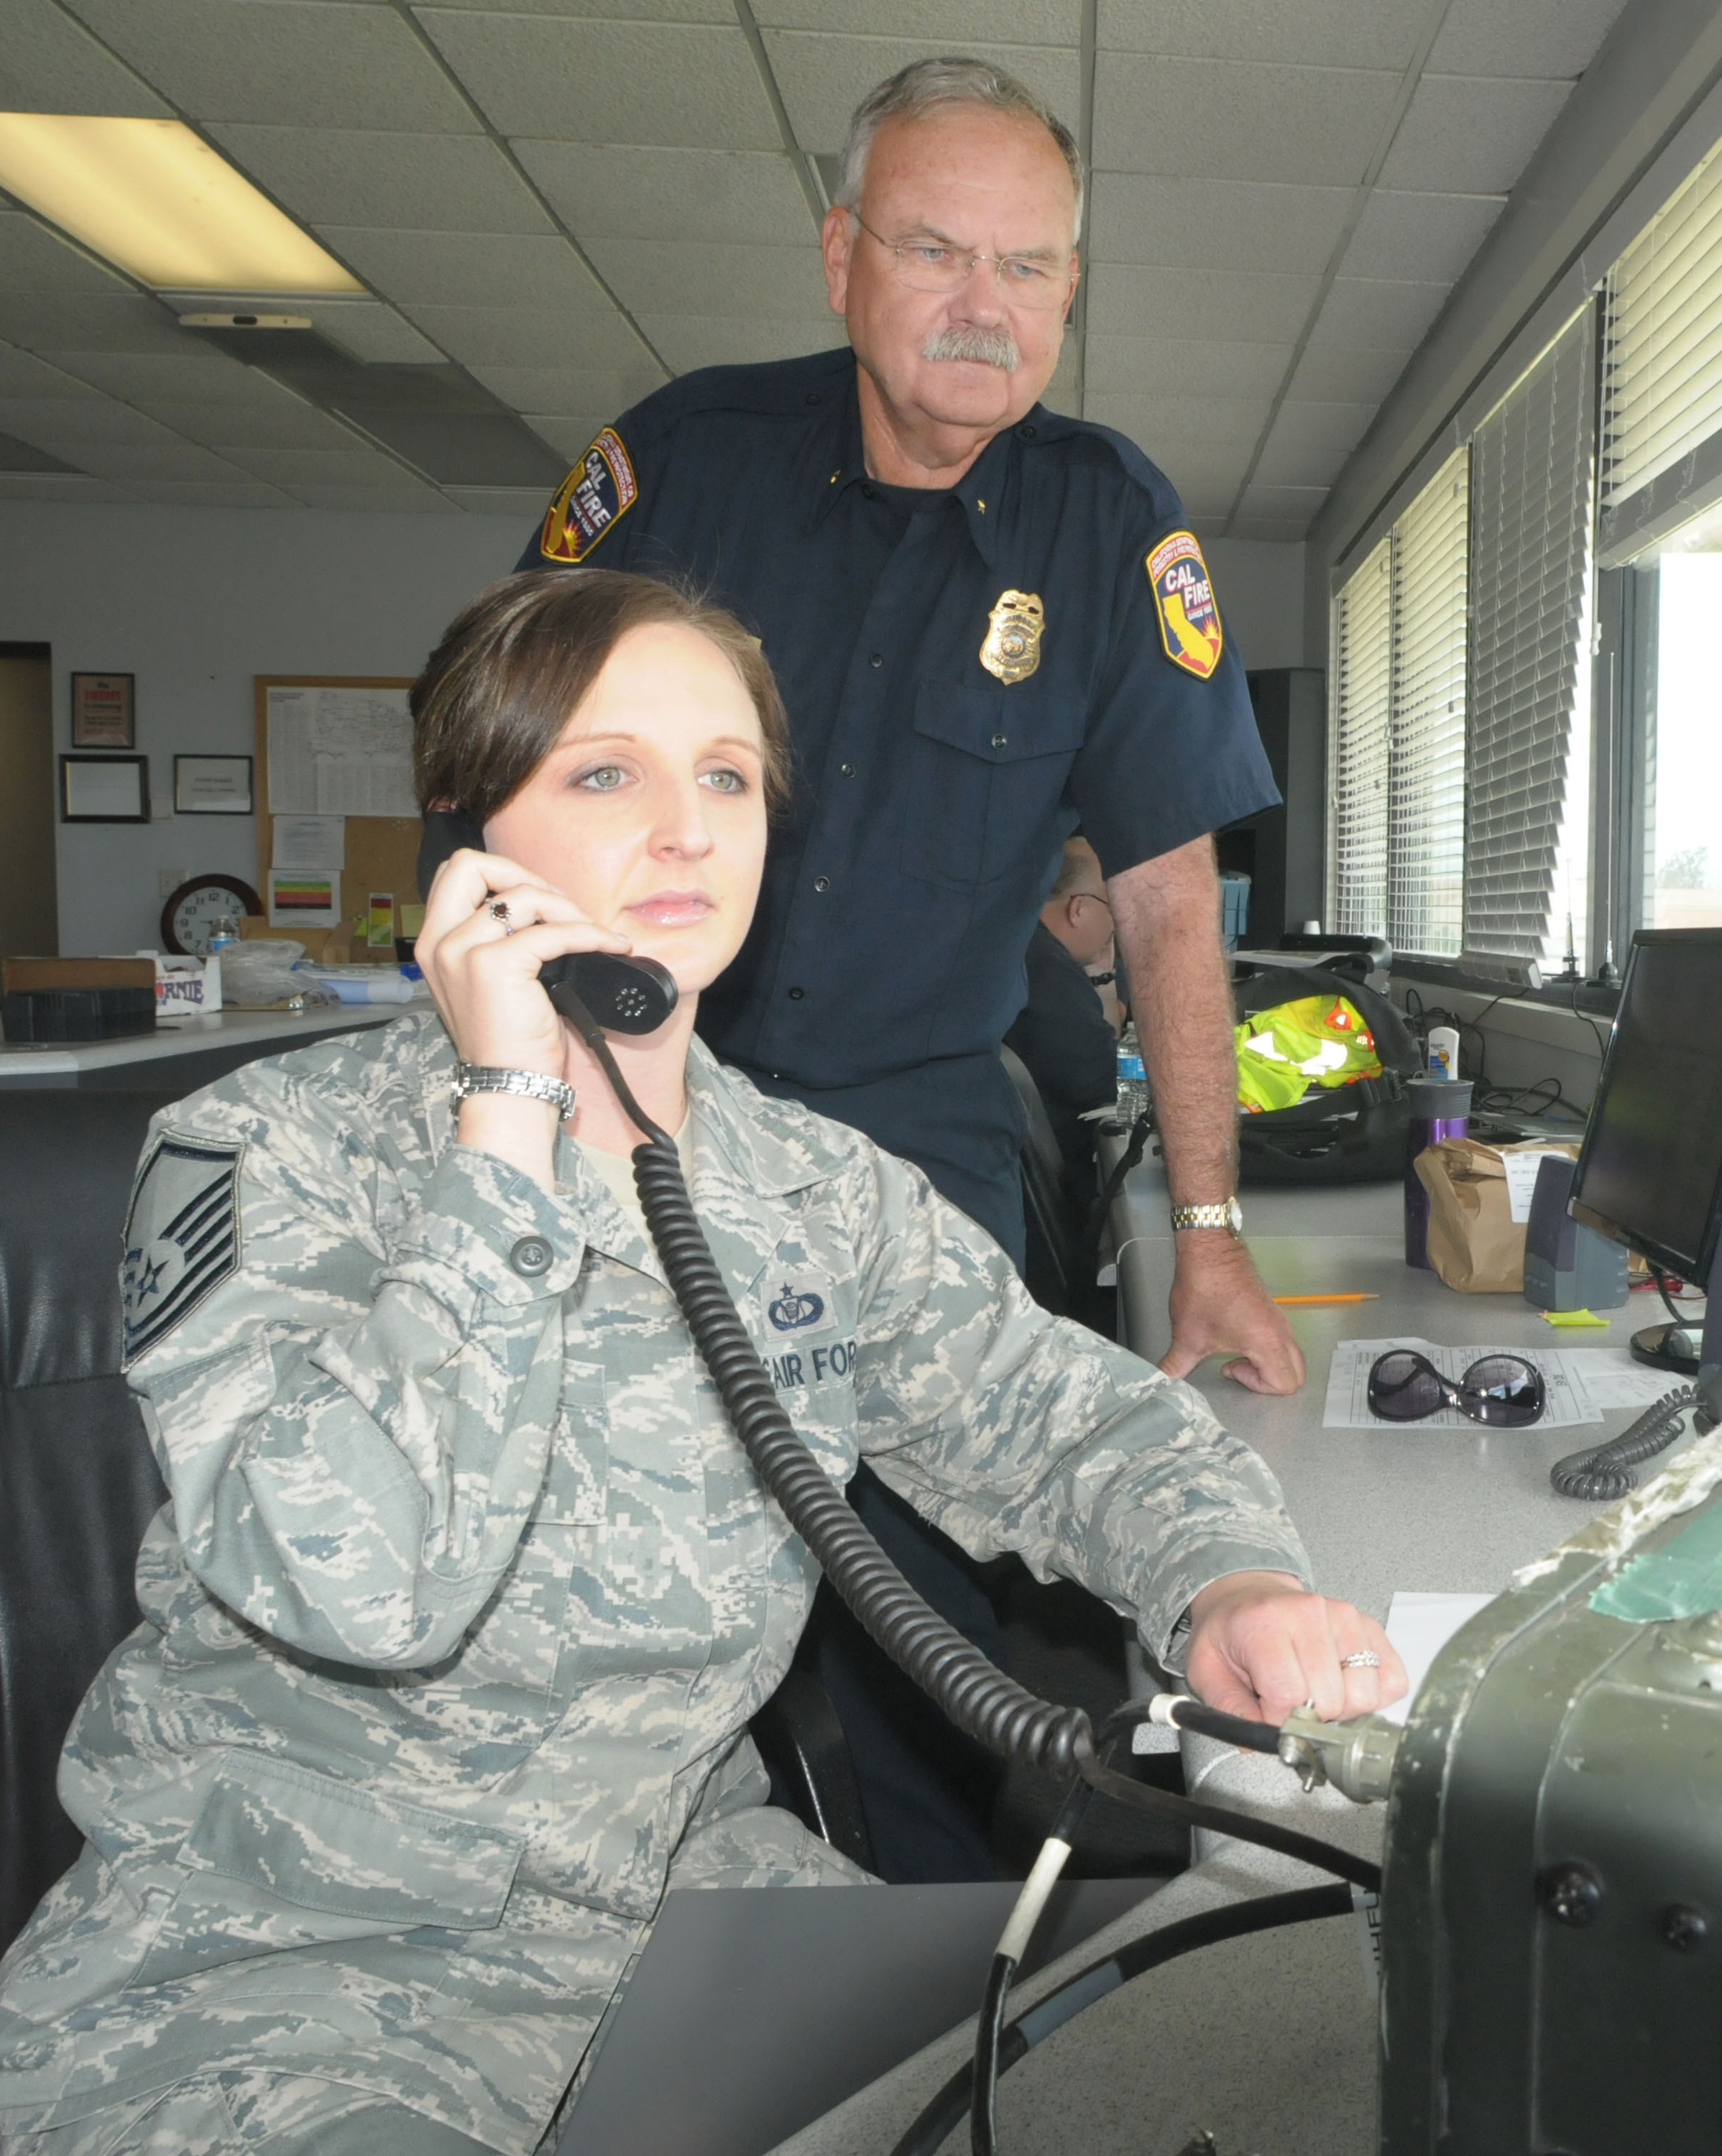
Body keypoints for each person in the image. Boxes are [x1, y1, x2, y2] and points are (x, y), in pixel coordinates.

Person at [0, 569, 1401, 2156]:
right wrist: (507, 1132)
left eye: (726, 777)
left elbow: (1067, 1423)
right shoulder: (265, 1152)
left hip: (680, 1904)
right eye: (606, 774)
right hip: (296, 1954)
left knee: (1259, 2066)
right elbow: (359, 1582)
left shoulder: (815, 1189)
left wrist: (1229, 1586)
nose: (688, 829)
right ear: (469, 838)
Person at [484, 55, 1307, 1877]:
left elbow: (1170, 902)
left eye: (1026, 268)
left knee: (922, 1600)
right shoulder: (681, 463)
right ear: (841, 256)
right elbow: (502, 781)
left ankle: (920, 1960)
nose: (979, 306)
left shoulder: (1107, 527)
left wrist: (1215, 1227)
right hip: (633, 1099)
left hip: (909, 1137)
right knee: (590, 1550)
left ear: (1070, 292)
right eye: (934, 251)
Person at [1004, 835, 1120, 1176]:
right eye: (1111, 906)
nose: (1117, 922)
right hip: (1072, 1185)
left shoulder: (1020, 945)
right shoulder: (1045, 967)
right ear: (1079, 908)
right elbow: (1102, 1079)